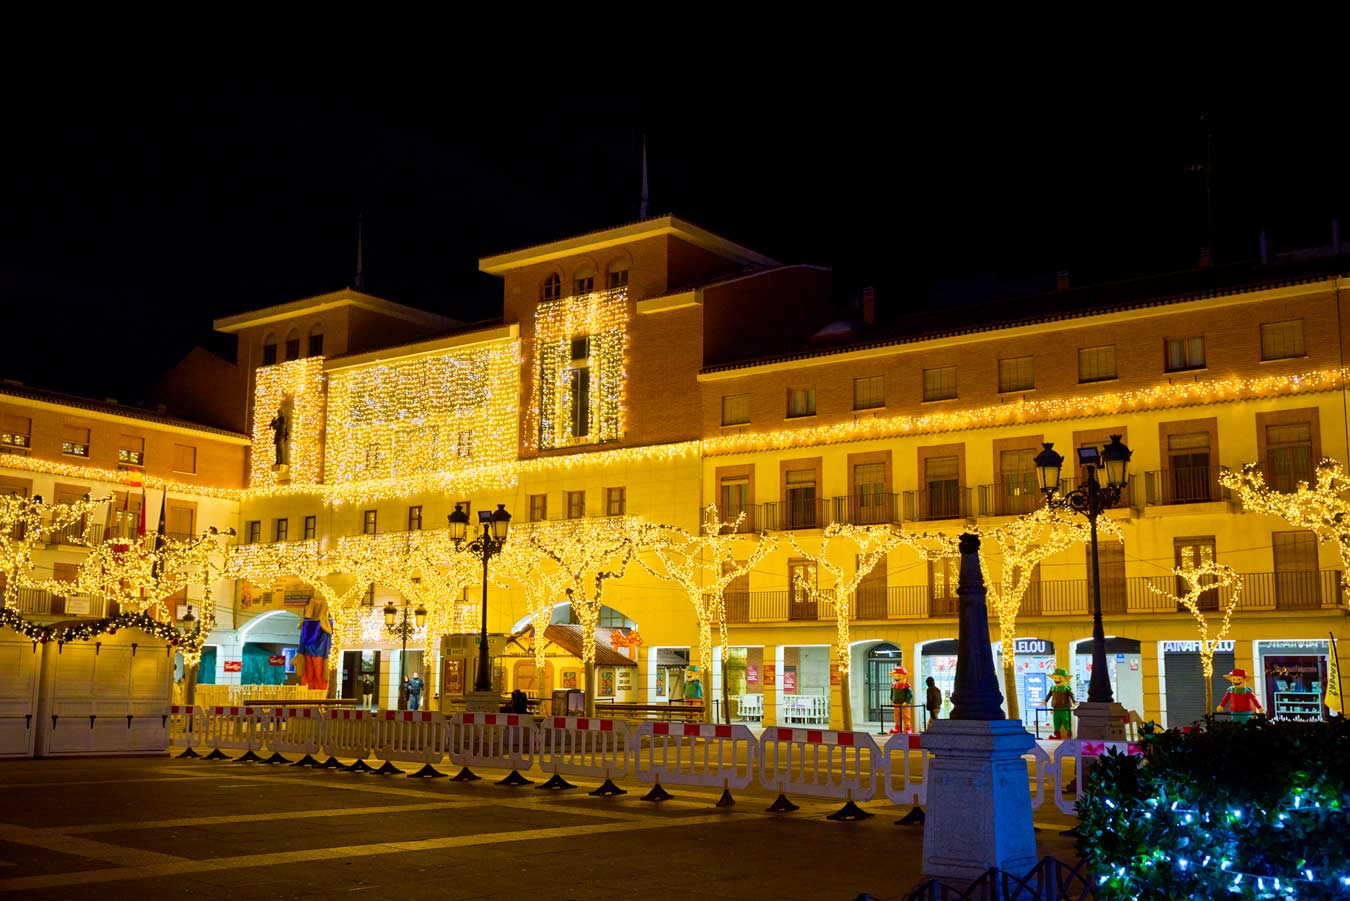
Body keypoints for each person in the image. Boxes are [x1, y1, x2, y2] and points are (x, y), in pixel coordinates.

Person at [1043, 668, 1077, 739]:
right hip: (1055, 708)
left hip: (1065, 708)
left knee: (1066, 722)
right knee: (1056, 722)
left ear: (1064, 678)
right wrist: (1045, 701)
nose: (1057, 680)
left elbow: (1071, 695)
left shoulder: (1066, 688)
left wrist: (1074, 702)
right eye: (1055, 678)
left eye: (1059, 678)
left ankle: (1069, 736)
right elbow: (1049, 695)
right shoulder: (1053, 688)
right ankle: (1057, 736)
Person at [890, 666, 914, 733]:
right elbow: (892, 693)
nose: (896, 678)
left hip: (904, 704)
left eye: (898, 676)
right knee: (897, 716)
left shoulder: (906, 686)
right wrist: (891, 699)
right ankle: (897, 728)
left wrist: (906, 701)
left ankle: (908, 728)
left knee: (906, 716)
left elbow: (910, 695)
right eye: (895, 676)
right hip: (896, 703)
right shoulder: (894, 685)